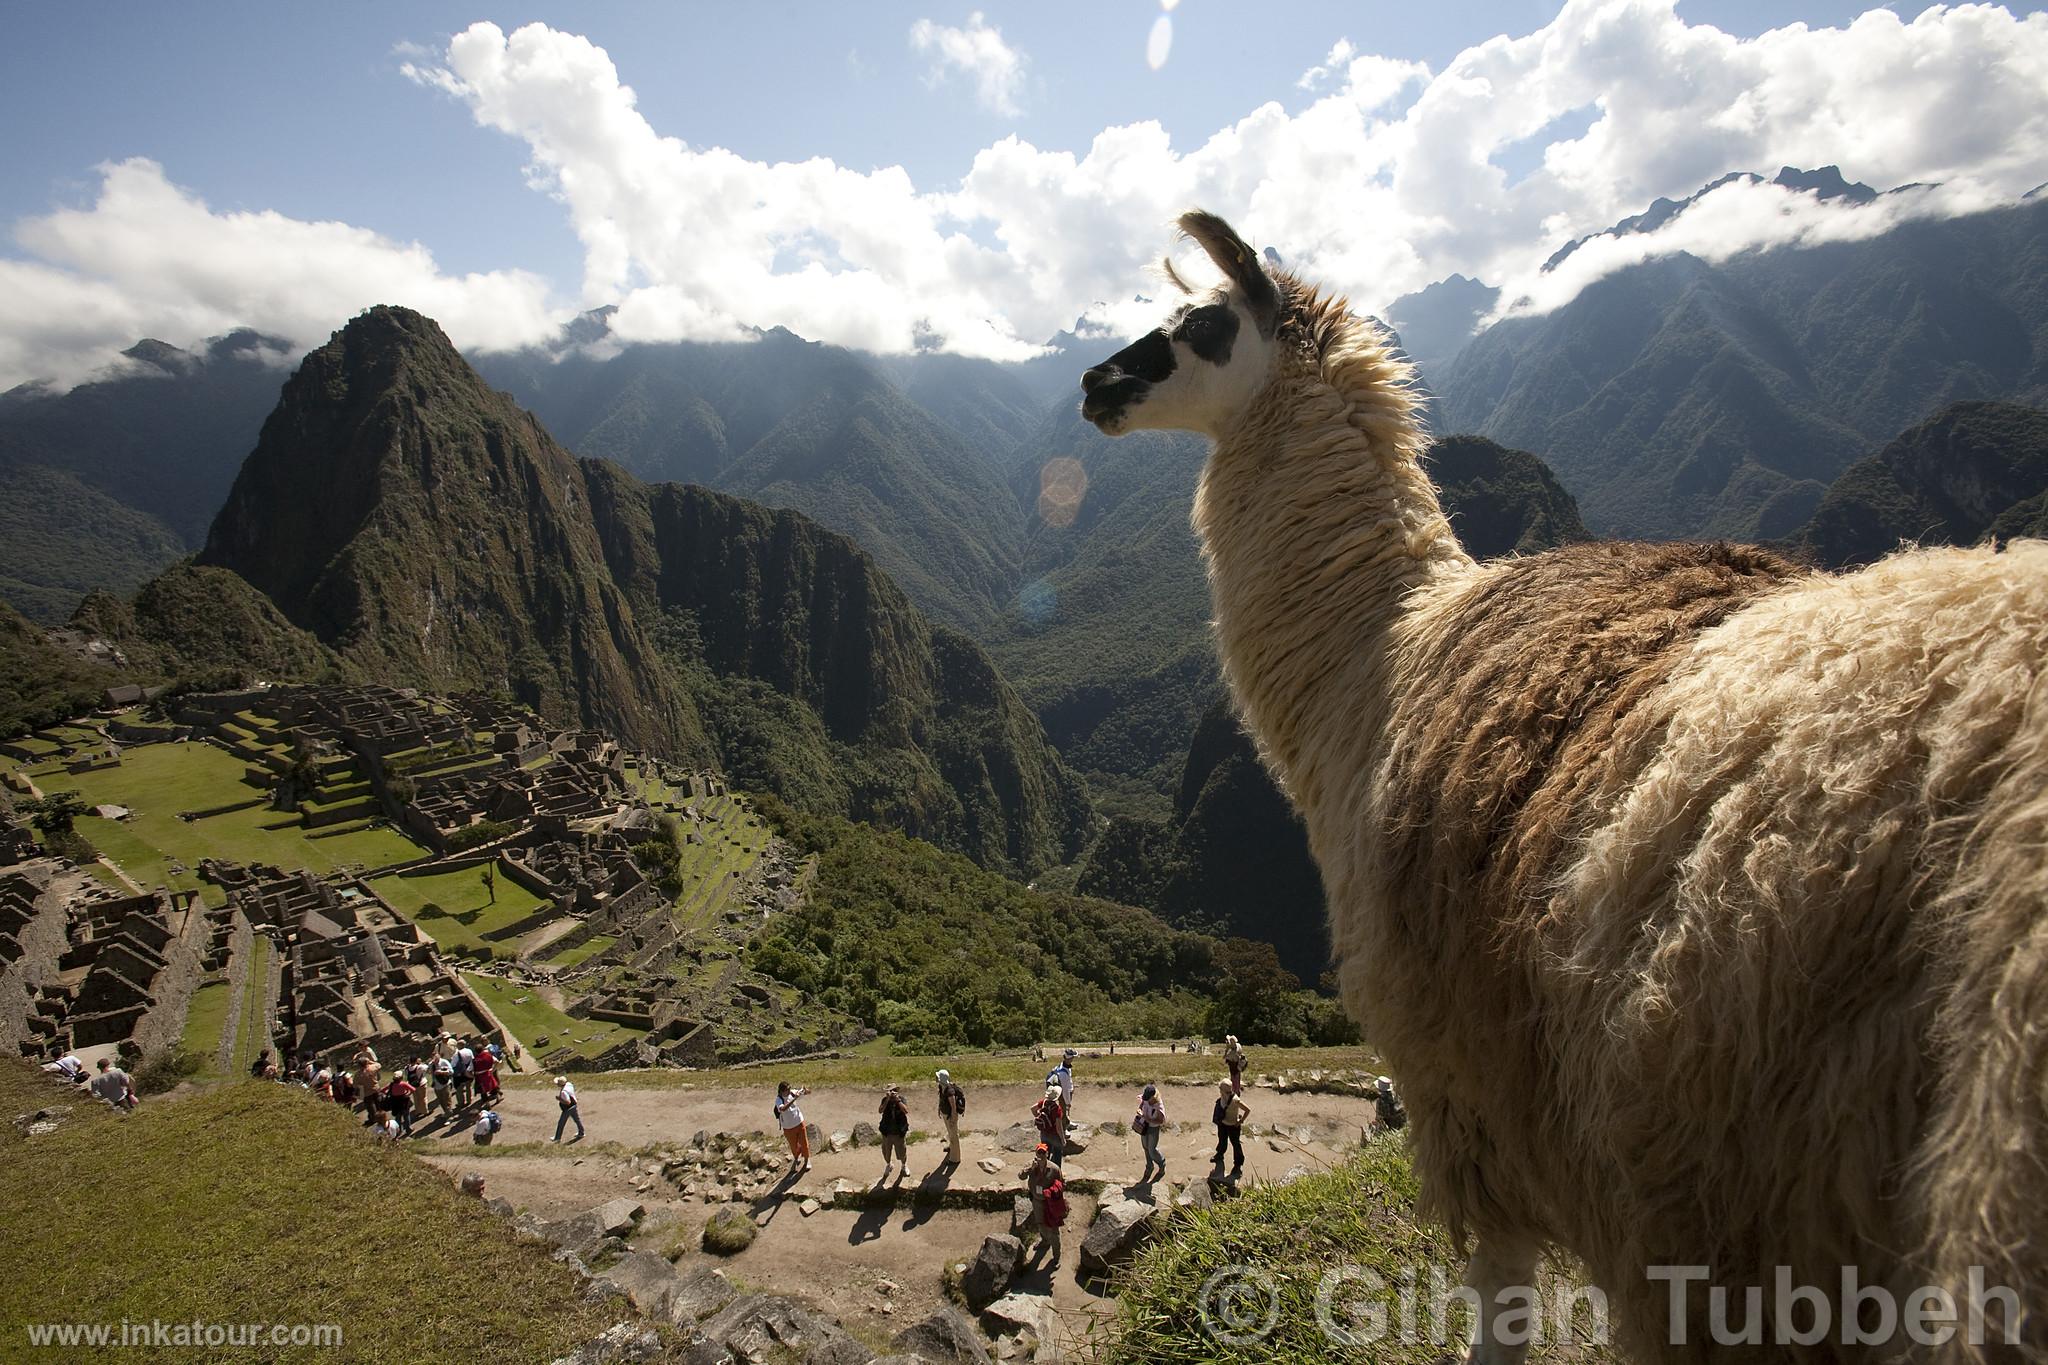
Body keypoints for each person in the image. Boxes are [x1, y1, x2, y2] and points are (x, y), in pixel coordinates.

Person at [1022, 1144, 1064, 1266]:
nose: (1041, 1155)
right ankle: (1045, 1241)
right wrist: (1029, 1169)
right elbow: (1021, 1176)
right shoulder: (1031, 1165)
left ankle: (1056, 1256)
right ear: (1036, 1153)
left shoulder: (1054, 1169)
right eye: (1039, 1153)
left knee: (1054, 1230)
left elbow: (1061, 1184)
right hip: (1037, 1200)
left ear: (1047, 1154)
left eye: (1043, 1153)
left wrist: (1053, 1195)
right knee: (1040, 1223)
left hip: (1049, 1202)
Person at [1212, 1080, 1249, 1177]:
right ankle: (1219, 1154)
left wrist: (1240, 1121)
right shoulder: (1223, 1095)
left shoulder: (1235, 1099)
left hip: (1233, 1126)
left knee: (1236, 1145)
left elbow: (1247, 1110)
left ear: (1223, 1090)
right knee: (1222, 1140)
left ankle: (1238, 1164)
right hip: (1223, 1124)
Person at [1135, 1083, 1167, 1183]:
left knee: (1152, 1150)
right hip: (1144, 1126)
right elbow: (1142, 1103)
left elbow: (1160, 1121)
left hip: (1153, 1129)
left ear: (1152, 1097)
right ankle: (1149, 1166)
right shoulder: (1146, 1098)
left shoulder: (1159, 1106)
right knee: (1145, 1147)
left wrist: (1147, 1118)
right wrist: (1139, 1109)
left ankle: (1162, 1165)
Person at [775, 1081, 811, 1170]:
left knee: (804, 1143)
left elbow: (808, 1093)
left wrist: (806, 1090)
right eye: (787, 1089)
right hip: (788, 1127)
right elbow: (783, 1109)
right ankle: (797, 1157)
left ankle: (807, 1159)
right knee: (793, 1146)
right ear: (782, 1091)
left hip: (799, 1122)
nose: (789, 1090)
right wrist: (794, 1099)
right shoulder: (778, 1100)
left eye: (789, 1088)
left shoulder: (792, 1092)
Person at [935, 1069, 966, 1167]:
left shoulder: (950, 1091)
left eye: (938, 1076)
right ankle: (951, 1148)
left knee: (954, 1136)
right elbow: (941, 1099)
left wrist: (953, 1118)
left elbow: (953, 1107)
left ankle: (955, 1159)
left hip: (950, 1115)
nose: (936, 1077)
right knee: (950, 1133)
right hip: (946, 1114)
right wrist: (939, 1109)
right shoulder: (942, 1086)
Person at [878, 1083, 910, 1179]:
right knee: (886, 1151)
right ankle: (889, 1164)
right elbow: (880, 1110)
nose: (892, 1093)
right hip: (887, 1132)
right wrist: (887, 1100)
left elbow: (906, 1111)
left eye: (894, 1090)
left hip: (899, 1132)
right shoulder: (885, 1100)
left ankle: (904, 1166)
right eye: (890, 1091)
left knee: (902, 1151)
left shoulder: (902, 1099)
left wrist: (898, 1101)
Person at [1032, 1083, 1067, 1164]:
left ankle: (1043, 1169)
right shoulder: (1057, 1109)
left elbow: (1033, 1109)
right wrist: (1062, 1139)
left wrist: (1038, 1116)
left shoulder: (1043, 1102)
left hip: (1044, 1133)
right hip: (1054, 1135)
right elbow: (1058, 1126)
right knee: (1057, 1154)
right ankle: (1056, 1173)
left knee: (1044, 1154)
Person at [553, 1075, 584, 1142]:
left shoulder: (564, 1092)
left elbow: (568, 1102)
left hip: (568, 1108)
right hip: (574, 1105)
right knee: (577, 1120)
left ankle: (557, 1138)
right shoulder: (569, 1084)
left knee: (561, 1123)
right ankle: (581, 1133)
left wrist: (559, 1099)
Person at [1049, 1050, 1076, 1127]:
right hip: (1063, 1094)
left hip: (1066, 1091)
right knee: (1064, 1110)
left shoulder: (1065, 1065)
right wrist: (1068, 1102)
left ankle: (1068, 1122)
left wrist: (1071, 1088)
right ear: (1069, 1058)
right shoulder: (1063, 1073)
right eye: (1072, 1057)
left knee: (1067, 1110)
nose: (1073, 1058)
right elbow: (1064, 1091)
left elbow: (1069, 1080)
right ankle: (1064, 1129)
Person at [452, 1039, 475, 1110]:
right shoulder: (469, 1051)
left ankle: (461, 1103)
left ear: (459, 1045)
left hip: (460, 1074)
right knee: (468, 1087)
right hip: (468, 1071)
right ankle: (469, 1100)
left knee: (459, 1090)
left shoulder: (457, 1054)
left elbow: (453, 1064)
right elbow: (472, 1059)